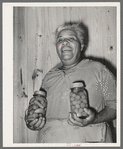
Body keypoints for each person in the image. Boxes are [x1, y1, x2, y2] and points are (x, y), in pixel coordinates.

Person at [25, 22, 116, 143]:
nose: (64, 42)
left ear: (82, 45)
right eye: (60, 40)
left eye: (71, 38)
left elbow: (117, 106)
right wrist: (33, 121)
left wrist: (95, 118)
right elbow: (39, 110)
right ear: (57, 47)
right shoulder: (49, 77)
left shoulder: (99, 69)